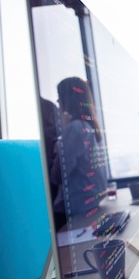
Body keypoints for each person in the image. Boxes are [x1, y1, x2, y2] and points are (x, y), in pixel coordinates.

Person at [51, 76, 108, 228]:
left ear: (67, 100)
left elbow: (57, 176)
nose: (58, 103)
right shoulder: (90, 127)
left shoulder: (75, 129)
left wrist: (59, 147)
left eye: (59, 98)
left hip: (77, 207)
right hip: (91, 202)